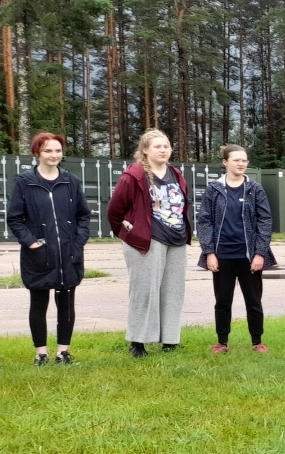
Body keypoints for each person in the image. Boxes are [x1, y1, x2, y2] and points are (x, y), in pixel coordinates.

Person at [7, 132, 90, 365]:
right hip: (39, 255)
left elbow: (84, 215)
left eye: (57, 150)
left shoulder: (71, 181)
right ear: (37, 153)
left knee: (66, 304)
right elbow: (15, 218)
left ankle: (63, 352)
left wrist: (78, 241)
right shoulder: (25, 182)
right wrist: (31, 242)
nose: (53, 155)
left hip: (68, 253)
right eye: (47, 151)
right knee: (39, 303)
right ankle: (41, 354)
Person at [107, 129, 191, 357]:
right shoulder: (134, 175)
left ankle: (170, 341)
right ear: (145, 150)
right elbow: (115, 209)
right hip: (146, 241)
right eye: (157, 146)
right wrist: (127, 231)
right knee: (145, 291)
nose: (163, 150)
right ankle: (138, 341)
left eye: (166, 146)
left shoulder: (176, 173)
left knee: (173, 291)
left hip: (176, 239)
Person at [197, 144, 276, 354]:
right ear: (225, 162)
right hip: (222, 255)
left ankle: (257, 341)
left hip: (249, 256)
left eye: (244, 160)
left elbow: (265, 221)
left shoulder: (255, 189)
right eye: (236, 160)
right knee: (222, 301)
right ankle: (222, 342)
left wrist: (260, 253)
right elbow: (204, 222)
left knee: (254, 300)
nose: (241, 164)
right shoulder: (213, 190)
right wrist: (209, 253)